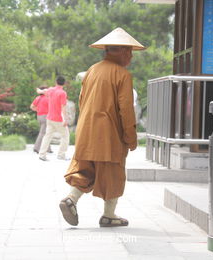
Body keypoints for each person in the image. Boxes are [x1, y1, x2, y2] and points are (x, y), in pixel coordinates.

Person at [59, 27, 146, 227]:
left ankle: (70, 199)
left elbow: (82, 101)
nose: (131, 56)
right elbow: (126, 109)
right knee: (113, 172)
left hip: (86, 130)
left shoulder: (92, 70)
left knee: (86, 169)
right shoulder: (122, 75)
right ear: (122, 51)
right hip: (109, 133)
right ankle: (109, 215)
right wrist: (131, 137)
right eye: (130, 52)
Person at [37, 76, 69, 161]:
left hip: (49, 118)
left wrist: (38, 90)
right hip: (58, 119)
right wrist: (65, 119)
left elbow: (42, 91)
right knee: (65, 136)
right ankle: (61, 155)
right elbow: (63, 107)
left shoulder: (50, 90)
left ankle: (42, 154)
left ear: (56, 82)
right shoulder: (62, 93)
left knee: (47, 136)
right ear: (64, 83)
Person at [30, 85, 52, 154]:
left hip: (39, 116)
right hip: (46, 116)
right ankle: (36, 148)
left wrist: (38, 110)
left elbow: (32, 107)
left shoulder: (38, 98)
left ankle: (48, 149)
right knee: (43, 133)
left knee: (46, 132)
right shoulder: (48, 98)